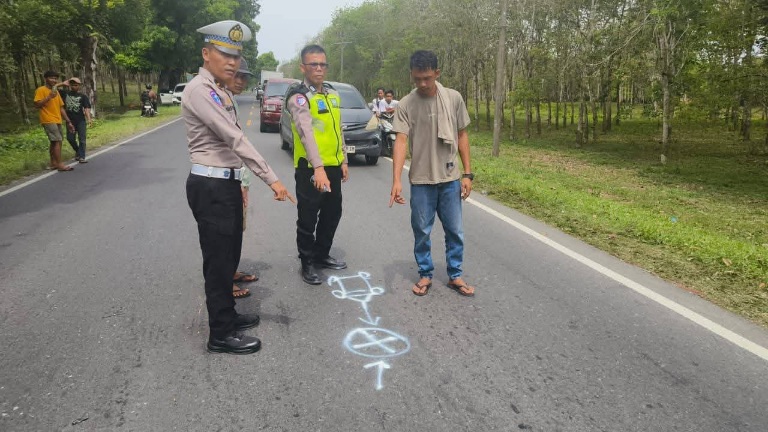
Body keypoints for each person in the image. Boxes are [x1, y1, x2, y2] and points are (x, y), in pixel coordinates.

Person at [184, 20, 295, 355]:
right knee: (218, 263)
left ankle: (229, 318)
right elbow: (234, 137)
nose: (232, 62)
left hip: (226, 185)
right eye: (224, 53)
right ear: (206, 54)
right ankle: (220, 334)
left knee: (229, 257)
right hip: (211, 187)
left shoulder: (219, 89)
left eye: (236, 55)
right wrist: (271, 177)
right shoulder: (200, 91)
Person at [389, 50, 476, 298]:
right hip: (421, 180)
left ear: (437, 73)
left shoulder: (453, 98)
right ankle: (425, 273)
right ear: (411, 76)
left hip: (450, 178)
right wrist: (396, 180)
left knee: (455, 230)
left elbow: (461, 135)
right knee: (422, 230)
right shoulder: (406, 104)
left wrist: (468, 174)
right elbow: (401, 141)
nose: (423, 84)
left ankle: (455, 274)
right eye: (417, 79)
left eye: (427, 78)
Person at [285, 44, 349, 285]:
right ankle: (307, 262)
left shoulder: (332, 94)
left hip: (332, 166)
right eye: (314, 64)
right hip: (310, 169)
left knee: (333, 213)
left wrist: (343, 159)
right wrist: (318, 168)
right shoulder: (299, 97)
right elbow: (305, 132)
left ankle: (322, 254)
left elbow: (337, 129)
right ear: (303, 67)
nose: (319, 69)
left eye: (323, 64)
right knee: (308, 216)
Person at [228, 58, 257, 300]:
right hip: (222, 179)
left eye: (244, 76)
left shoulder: (231, 100)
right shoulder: (215, 100)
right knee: (226, 233)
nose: (241, 81)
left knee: (237, 229)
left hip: (237, 176)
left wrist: (244, 182)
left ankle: (231, 272)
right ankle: (224, 281)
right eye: (236, 75)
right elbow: (234, 146)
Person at [34, 71, 75, 171]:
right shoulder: (41, 90)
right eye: (51, 78)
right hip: (48, 119)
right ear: (46, 78)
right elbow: (37, 105)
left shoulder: (55, 91)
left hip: (57, 119)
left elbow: (61, 108)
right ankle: (60, 164)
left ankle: (53, 163)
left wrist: (68, 122)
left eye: (55, 78)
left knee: (56, 141)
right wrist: (48, 97)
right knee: (57, 140)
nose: (54, 80)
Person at [62, 77, 93, 163]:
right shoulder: (65, 93)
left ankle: (82, 157)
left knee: (82, 139)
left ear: (79, 86)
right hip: (69, 120)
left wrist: (89, 119)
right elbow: (52, 90)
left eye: (76, 85)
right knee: (70, 138)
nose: (74, 86)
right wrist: (62, 83)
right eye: (72, 85)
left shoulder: (83, 96)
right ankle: (78, 152)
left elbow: (86, 108)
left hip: (80, 120)